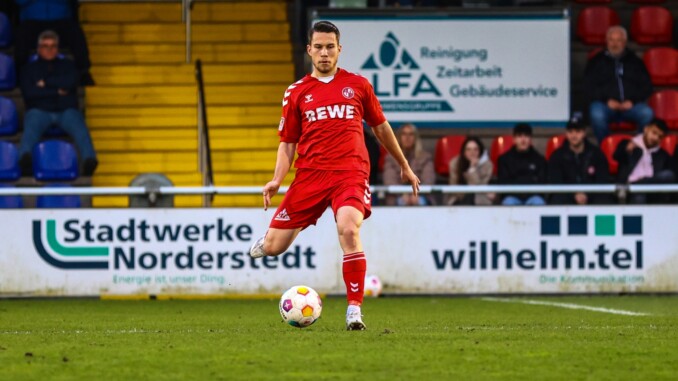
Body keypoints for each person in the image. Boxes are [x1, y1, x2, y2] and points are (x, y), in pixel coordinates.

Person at [248, 21, 420, 331]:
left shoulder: (358, 85)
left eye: (330, 46)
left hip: (350, 173)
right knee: (274, 247)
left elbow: (381, 127)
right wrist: (276, 180)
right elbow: (288, 143)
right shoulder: (296, 92)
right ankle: (281, 233)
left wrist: (405, 166)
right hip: (310, 176)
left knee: (349, 231)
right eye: (319, 47)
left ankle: (354, 310)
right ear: (309, 50)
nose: (325, 52)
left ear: (339, 49)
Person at [18, 30, 98, 176]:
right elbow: (30, 93)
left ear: (57, 48)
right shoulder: (28, 70)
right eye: (45, 46)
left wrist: (46, 83)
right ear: (38, 48)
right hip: (39, 110)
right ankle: (25, 159)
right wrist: (57, 91)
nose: (49, 49)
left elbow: (71, 82)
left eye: (53, 46)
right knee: (31, 124)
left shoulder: (68, 65)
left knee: (79, 125)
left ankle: (89, 160)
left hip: (66, 110)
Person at [583, 26, 653, 143]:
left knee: (647, 113)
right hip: (605, 106)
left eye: (618, 40)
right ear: (606, 41)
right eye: (611, 40)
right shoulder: (596, 61)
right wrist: (606, 101)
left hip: (631, 106)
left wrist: (632, 101)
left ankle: (637, 147)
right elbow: (588, 86)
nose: (614, 44)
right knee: (596, 113)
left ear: (624, 42)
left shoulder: (635, 61)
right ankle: (606, 147)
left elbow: (646, 86)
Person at [14, 0, 94, 85]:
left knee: (75, 32)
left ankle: (83, 71)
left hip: (61, 20)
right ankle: (20, 73)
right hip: (32, 22)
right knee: (22, 33)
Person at [547, 118, 612, 205]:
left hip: (592, 196)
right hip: (566, 197)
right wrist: (574, 195)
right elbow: (556, 181)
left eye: (578, 131)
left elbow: (602, 180)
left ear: (584, 133)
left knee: (604, 200)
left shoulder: (597, 154)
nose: (574, 135)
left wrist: (587, 195)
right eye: (570, 132)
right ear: (566, 133)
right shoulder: (557, 156)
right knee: (556, 200)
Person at [613, 118, 675, 204]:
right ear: (646, 129)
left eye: (660, 137)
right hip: (630, 187)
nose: (655, 138)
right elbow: (616, 156)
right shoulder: (627, 144)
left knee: (668, 175)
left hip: (652, 190)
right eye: (654, 133)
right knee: (639, 195)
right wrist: (626, 149)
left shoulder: (663, 155)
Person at [382, 123, 434, 206]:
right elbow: (389, 181)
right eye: (404, 134)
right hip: (397, 196)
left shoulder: (426, 157)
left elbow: (428, 180)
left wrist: (415, 193)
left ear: (415, 138)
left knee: (419, 201)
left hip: (420, 195)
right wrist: (403, 193)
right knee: (402, 201)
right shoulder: (390, 158)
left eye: (411, 134)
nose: (407, 137)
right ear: (399, 137)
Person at [498, 123, 547, 206]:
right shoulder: (504, 160)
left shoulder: (539, 160)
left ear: (530, 139)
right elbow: (504, 183)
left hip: (533, 197)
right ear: (514, 139)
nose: (523, 140)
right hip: (512, 197)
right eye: (519, 136)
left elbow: (542, 183)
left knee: (538, 201)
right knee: (509, 202)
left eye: (526, 136)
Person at [446, 136, 494, 206]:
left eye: (475, 149)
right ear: (463, 151)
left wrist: (472, 169)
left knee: (472, 196)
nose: (472, 153)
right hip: (458, 198)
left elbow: (480, 188)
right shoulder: (454, 163)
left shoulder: (487, 165)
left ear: (480, 151)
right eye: (468, 150)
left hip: (479, 199)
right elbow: (454, 187)